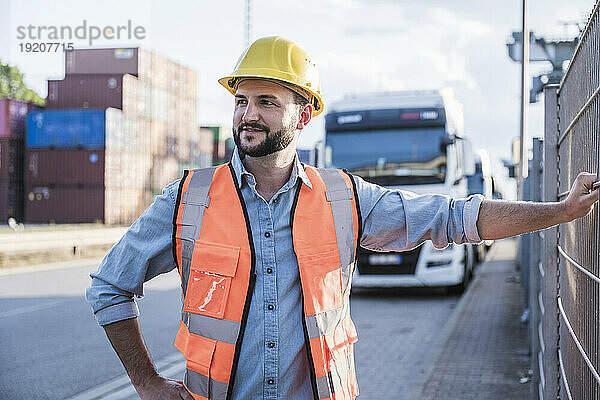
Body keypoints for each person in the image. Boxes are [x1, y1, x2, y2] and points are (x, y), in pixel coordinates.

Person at [86, 36, 599, 400]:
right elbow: (109, 287)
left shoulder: (343, 198)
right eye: (241, 101)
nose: (248, 115)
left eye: (267, 102)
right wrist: (147, 383)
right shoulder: (188, 198)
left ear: (304, 113)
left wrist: (561, 210)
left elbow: (456, 217)